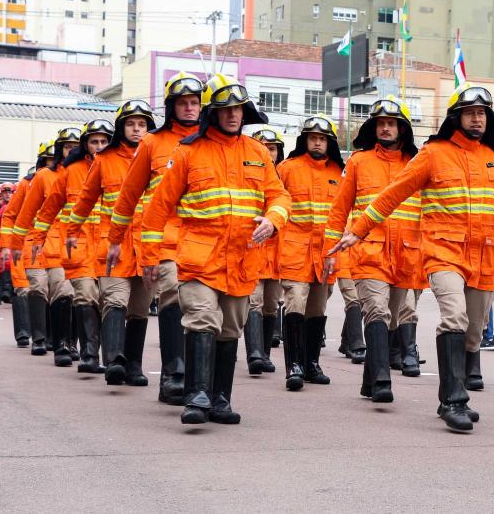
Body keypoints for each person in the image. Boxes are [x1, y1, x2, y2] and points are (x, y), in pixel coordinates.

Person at [331, 84, 494, 431]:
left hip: (483, 256)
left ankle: (457, 388)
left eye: (482, 114)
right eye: (470, 113)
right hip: (443, 253)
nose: (477, 120)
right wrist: (358, 230)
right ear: (456, 118)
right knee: (454, 317)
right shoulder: (434, 154)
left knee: (474, 332)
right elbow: (393, 194)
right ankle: (452, 401)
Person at [140, 73, 290, 425]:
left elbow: (280, 195)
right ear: (213, 113)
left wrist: (274, 218)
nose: (233, 115)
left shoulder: (256, 151)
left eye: (238, 109)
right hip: (199, 256)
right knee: (201, 320)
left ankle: (221, 399)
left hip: (242, 258)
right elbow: (157, 208)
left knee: (230, 330)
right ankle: (196, 395)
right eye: (226, 110)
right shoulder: (189, 151)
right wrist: (149, 258)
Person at [323, 96, 426, 404]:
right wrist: (331, 252)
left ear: (402, 129)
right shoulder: (358, 161)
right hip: (368, 250)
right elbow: (339, 209)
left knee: (393, 318)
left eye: (391, 123)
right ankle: (382, 381)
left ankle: (369, 382)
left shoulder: (419, 163)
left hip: (407, 253)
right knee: (376, 311)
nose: (385, 128)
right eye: (380, 123)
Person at [107, 72, 202, 404]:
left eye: (195, 102)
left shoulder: (213, 141)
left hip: (205, 243)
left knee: (203, 309)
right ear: (170, 106)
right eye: (183, 103)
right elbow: (128, 196)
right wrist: (116, 239)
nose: (189, 108)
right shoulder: (152, 143)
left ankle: (197, 380)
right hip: (164, 237)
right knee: (172, 294)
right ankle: (174, 375)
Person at [67, 101, 156, 385]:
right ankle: (114, 360)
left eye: (142, 124)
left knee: (140, 309)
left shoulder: (159, 156)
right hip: (114, 247)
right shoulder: (105, 159)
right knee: (114, 301)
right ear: (121, 128)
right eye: (131, 124)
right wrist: (72, 230)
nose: (137, 129)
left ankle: (134, 366)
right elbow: (85, 199)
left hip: (147, 246)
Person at [31, 120, 112, 374]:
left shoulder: (121, 166)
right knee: (81, 294)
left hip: (110, 246)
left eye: (104, 141)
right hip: (76, 245)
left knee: (106, 300)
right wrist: (36, 239)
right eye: (94, 141)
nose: (99, 146)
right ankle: (80, 352)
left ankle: (104, 356)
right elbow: (47, 209)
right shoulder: (67, 172)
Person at [276, 115, 344, 391]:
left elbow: (344, 212)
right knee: (295, 302)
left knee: (318, 307)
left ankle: (312, 363)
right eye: (313, 138)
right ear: (304, 140)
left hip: (325, 252)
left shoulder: (339, 173)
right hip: (295, 248)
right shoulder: (287, 168)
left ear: (329, 143)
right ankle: (294, 365)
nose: (317, 142)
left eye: (322, 139)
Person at [12, 128, 81, 367]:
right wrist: (14, 245)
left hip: (68, 244)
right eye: (66, 146)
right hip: (38, 242)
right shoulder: (41, 177)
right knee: (38, 289)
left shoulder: (84, 172)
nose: (71, 150)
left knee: (65, 293)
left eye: (75, 145)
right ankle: (39, 339)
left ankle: (65, 342)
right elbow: (22, 214)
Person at [243, 126, 286, 375]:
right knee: (254, 303)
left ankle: (266, 354)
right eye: (264, 148)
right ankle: (254, 354)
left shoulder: (283, 176)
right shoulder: (247, 175)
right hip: (253, 248)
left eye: (272, 148)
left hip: (278, 251)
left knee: (271, 304)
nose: (268, 153)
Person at [0, 160, 47, 352]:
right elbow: (6, 223)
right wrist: (4, 247)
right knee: (22, 289)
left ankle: (50, 337)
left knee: (52, 292)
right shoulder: (24, 188)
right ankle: (23, 333)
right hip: (24, 246)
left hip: (50, 245)